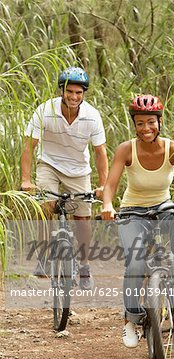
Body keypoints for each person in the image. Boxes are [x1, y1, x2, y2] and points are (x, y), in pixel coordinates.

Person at [101, 94, 174, 347]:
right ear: (134, 125)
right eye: (139, 123)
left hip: (163, 205)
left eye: (150, 122)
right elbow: (111, 183)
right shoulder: (126, 149)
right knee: (135, 264)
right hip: (132, 209)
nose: (145, 128)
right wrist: (107, 205)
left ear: (159, 121)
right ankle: (131, 320)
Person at [21, 66, 108, 289]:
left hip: (79, 169)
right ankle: (44, 255)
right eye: (70, 91)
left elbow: (100, 153)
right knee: (45, 207)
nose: (74, 97)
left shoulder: (92, 116)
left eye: (79, 93)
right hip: (49, 164)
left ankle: (85, 265)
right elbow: (29, 146)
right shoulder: (45, 110)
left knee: (82, 217)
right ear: (62, 90)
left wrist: (103, 185)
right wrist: (26, 180)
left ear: (84, 94)